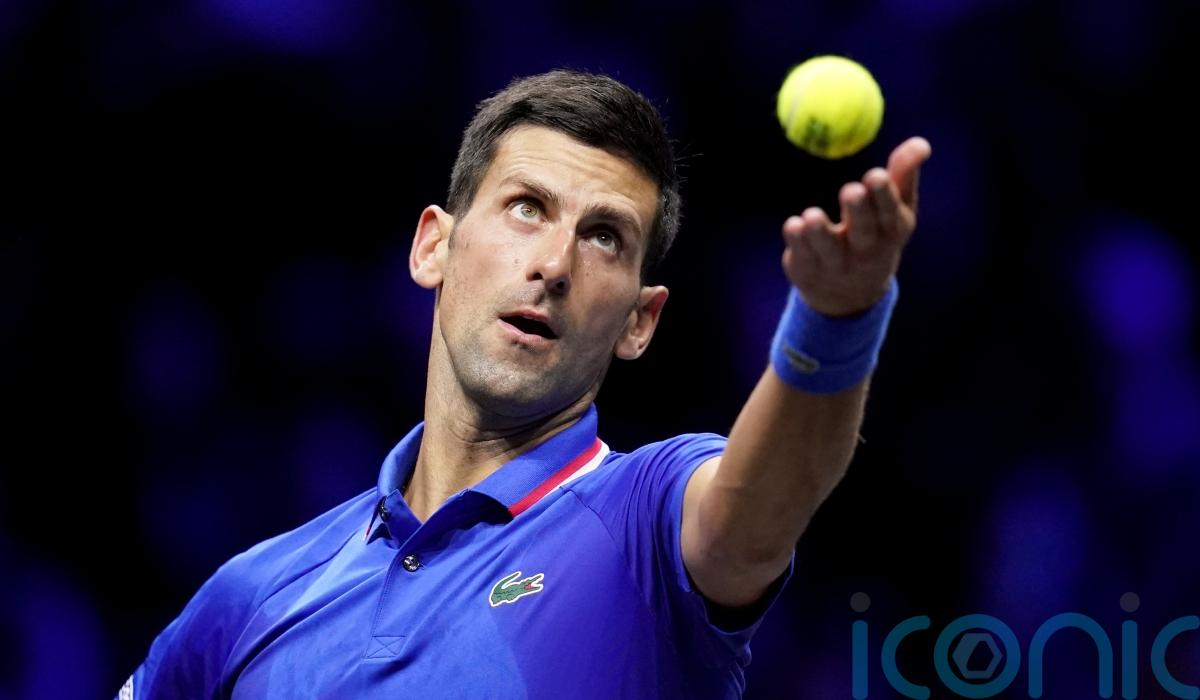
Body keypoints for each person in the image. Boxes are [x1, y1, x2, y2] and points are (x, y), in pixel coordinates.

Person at [120, 69, 930, 699]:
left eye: (604, 237)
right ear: (434, 247)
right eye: (526, 208)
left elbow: (761, 507)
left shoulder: (644, 518)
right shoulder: (254, 593)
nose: (554, 264)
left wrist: (837, 321)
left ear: (640, 322)